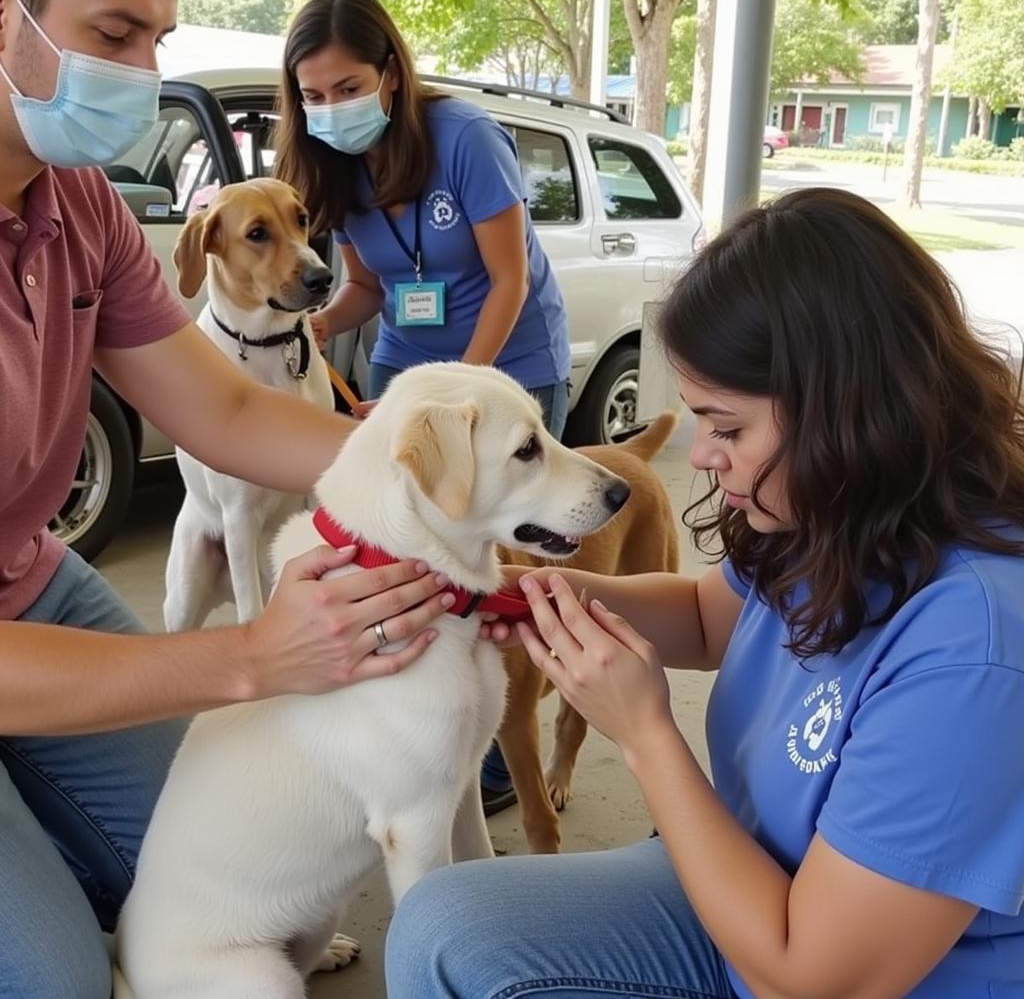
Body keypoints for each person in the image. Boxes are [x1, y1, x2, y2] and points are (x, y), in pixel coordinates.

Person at [385, 187, 1024, 999]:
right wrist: (524, 591)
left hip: (805, 961)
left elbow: (816, 977)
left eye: (727, 429)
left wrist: (645, 732)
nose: (704, 456)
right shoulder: (840, 516)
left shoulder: (975, 650)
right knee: (441, 924)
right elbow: (705, 616)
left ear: (848, 412)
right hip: (744, 875)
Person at [0, 0, 455, 995]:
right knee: (53, 978)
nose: (142, 73)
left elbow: (234, 414)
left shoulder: (82, 208)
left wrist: (428, 470)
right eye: (113, 33)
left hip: (28, 578)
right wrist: (250, 655)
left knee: (244, 859)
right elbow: (243, 634)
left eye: (156, 37)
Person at [275, 0, 573, 813]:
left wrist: (464, 398)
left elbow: (510, 278)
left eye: (347, 87)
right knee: (400, 556)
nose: (331, 108)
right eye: (315, 95)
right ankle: (407, 720)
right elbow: (368, 285)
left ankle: (488, 747)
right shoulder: (334, 166)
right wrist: (309, 325)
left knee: (485, 566)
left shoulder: (465, 139)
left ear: (390, 77)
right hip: (403, 376)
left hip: (506, 370)